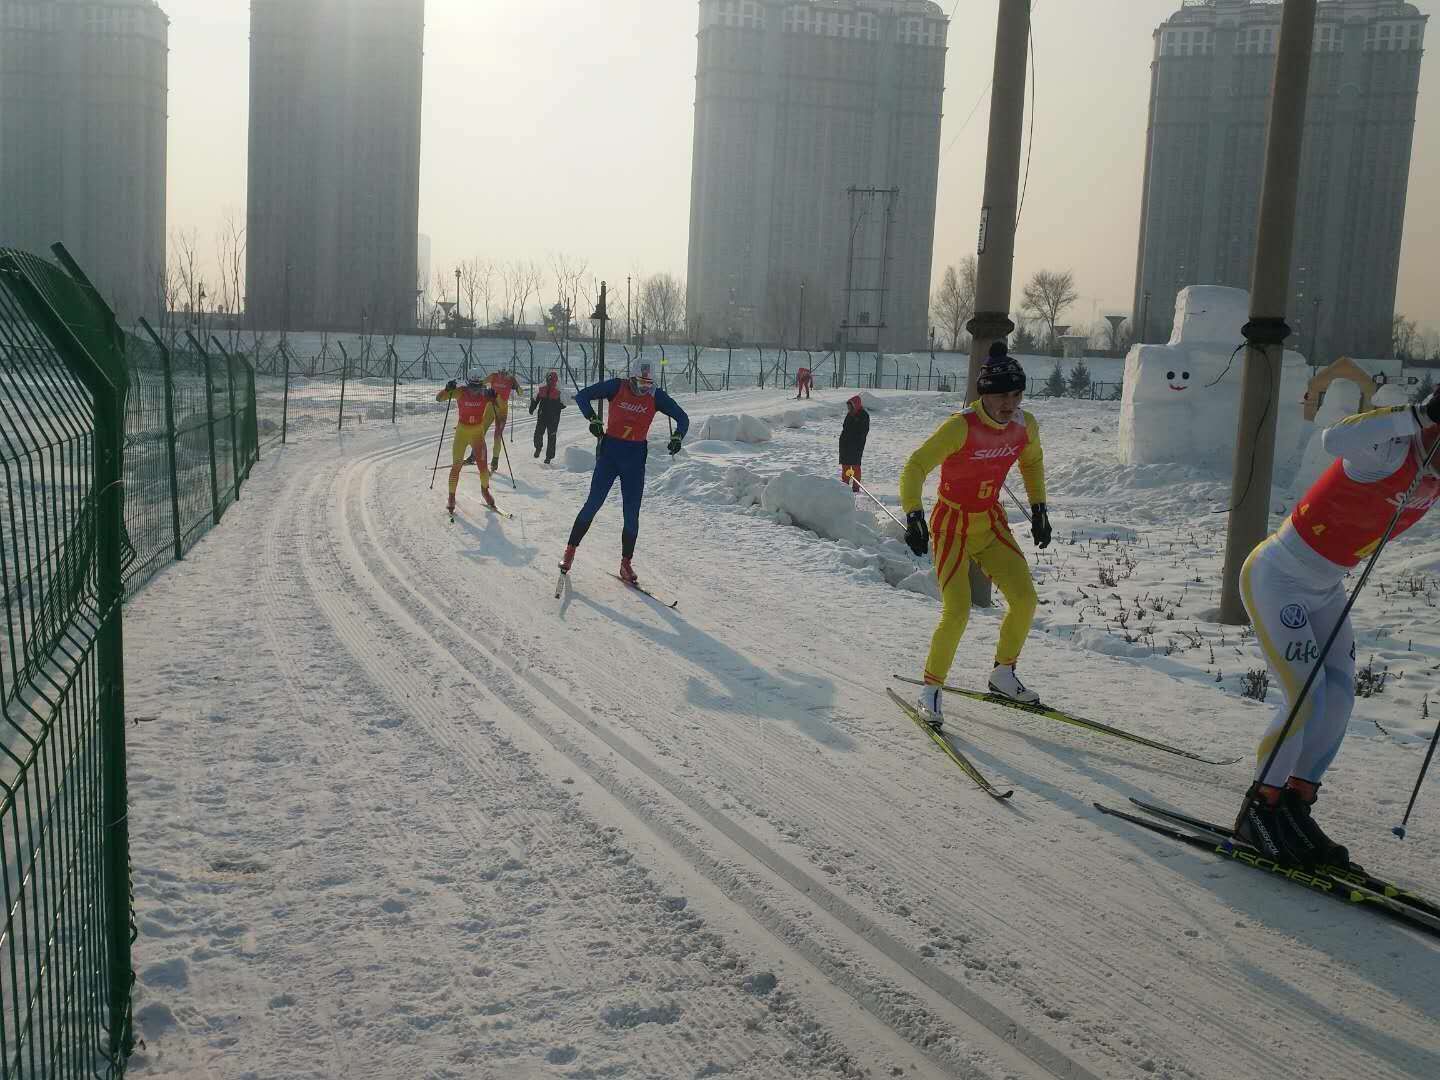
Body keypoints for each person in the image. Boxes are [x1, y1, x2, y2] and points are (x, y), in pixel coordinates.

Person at [1234, 392, 1440, 870]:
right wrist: (1418, 414)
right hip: (1278, 577)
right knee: (1304, 698)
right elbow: (1335, 438)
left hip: (1327, 589)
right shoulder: (1389, 451)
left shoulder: (1434, 477)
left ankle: (1294, 805)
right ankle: (1258, 808)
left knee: (1341, 696)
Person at [899, 342, 1051, 727]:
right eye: (1001, 396)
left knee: (1025, 600)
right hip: (951, 524)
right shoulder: (961, 426)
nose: (1009, 404)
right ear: (984, 393)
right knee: (958, 611)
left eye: (1016, 395)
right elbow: (915, 466)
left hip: (990, 521)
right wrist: (914, 514)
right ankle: (930, 690)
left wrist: (1039, 509)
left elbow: (1032, 462)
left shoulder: (1025, 425)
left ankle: (1003, 673)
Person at [560, 361, 689, 584]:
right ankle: (570, 551)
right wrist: (593, 418)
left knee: (631, 513)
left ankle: (626, 563)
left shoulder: (655, 395)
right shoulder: (617, 386)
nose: (644, 389)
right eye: (640, 383)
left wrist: (678, 436)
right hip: (610, 454)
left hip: (635, 458)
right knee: (593, 503)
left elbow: (683, 418)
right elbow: (582, 396)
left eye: (648, 384)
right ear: (631, 378)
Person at [435, 374, 498, 513]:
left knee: (483, 467)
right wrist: (447, 389)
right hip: (462, 434)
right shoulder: (461, 391)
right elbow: (438, 399)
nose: (475, 391)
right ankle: (451, 497)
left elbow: (496, 404)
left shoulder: (485, 393)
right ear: (468, 384)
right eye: (473, 387)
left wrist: (494, 396)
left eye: (478, 387)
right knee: (456, 466)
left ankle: (485, 491)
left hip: (477, 434)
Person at [529, 369, 567, 464]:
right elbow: (536, 399)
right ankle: (538, 448)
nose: (550, 382)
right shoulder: (542, 389)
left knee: (551, 436)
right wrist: (532, 407)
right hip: (543, 415)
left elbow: (564, 403)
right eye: (549, 380)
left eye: (552, 380)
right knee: (539, 433)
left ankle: (548, 457)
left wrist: (558, 405)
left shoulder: (559, 391)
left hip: (553, 417)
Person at [487, 368, 522, 471]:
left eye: (504, 372)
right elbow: (480, 383)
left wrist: (516, 386)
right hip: (490, 408)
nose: (502, 374)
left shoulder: (511, 379)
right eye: (500, 372)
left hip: (502, 412)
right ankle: (474, 455)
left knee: (497, 436)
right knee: (481, 431)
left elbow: (520, 393)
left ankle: (495, 460)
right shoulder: (493, 376)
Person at [839, 394, 869, 493]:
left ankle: (856, 488)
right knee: (845, 467)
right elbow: (845, 428)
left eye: (850, 406)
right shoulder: (849, 414)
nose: (848, 409)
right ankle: (845, 486)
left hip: (856, 446)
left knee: (855, 467)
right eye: (848, 407)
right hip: (845, 445)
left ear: (855, 405)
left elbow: (863, 432)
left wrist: (856, 443)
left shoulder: (863, 415)